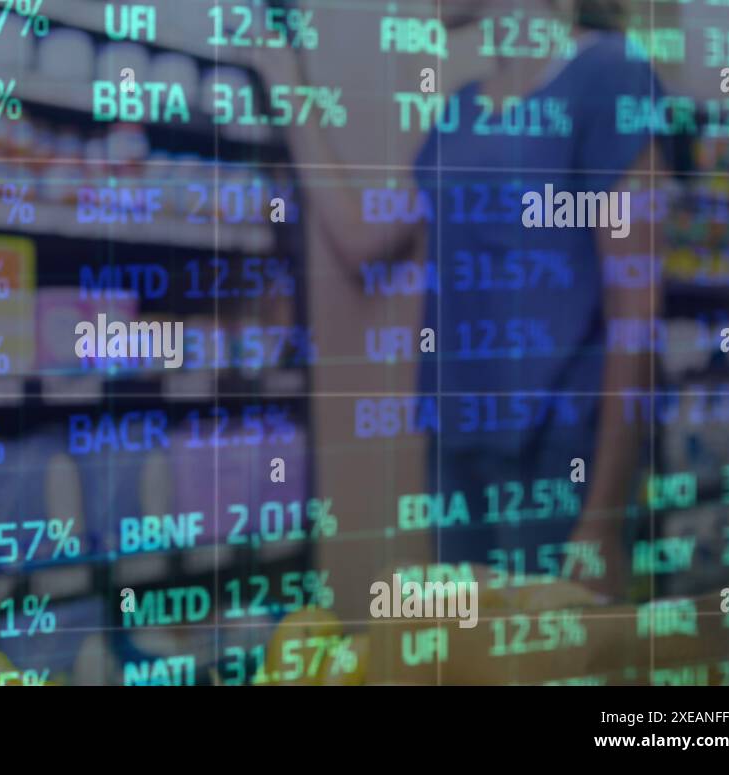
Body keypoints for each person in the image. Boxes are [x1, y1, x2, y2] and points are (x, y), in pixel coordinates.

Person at [245, 0, 665, 598]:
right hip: (456, 449)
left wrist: (601, 521)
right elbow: (361, 241)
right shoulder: (460, 114)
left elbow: (637, 316)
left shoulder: (609, 73)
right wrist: (287, 81)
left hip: (560, 458)